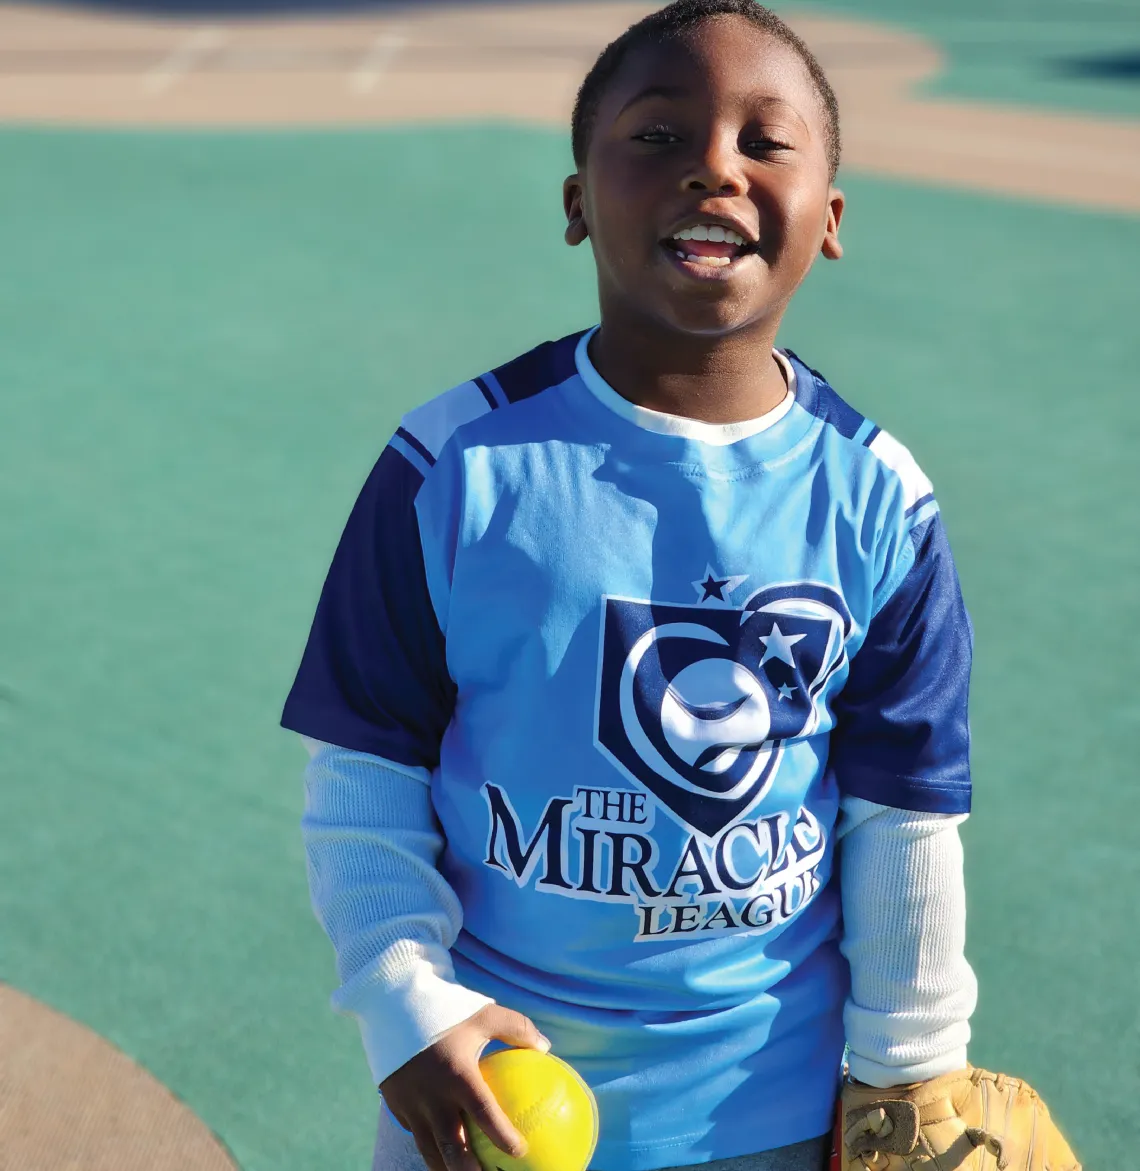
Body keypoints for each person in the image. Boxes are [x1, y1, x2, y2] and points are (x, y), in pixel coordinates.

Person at [282, 3, 980, 1169]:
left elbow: (902, 812)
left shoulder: (880, 501)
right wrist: (410, 1001)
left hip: (778, 1108)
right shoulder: (452, 467)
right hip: (486, 1090)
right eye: (659, 136)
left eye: (767, 142)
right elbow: (364, 772)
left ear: (832, 220)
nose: (715, 165)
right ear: (574, 203)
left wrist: (911, 1069)